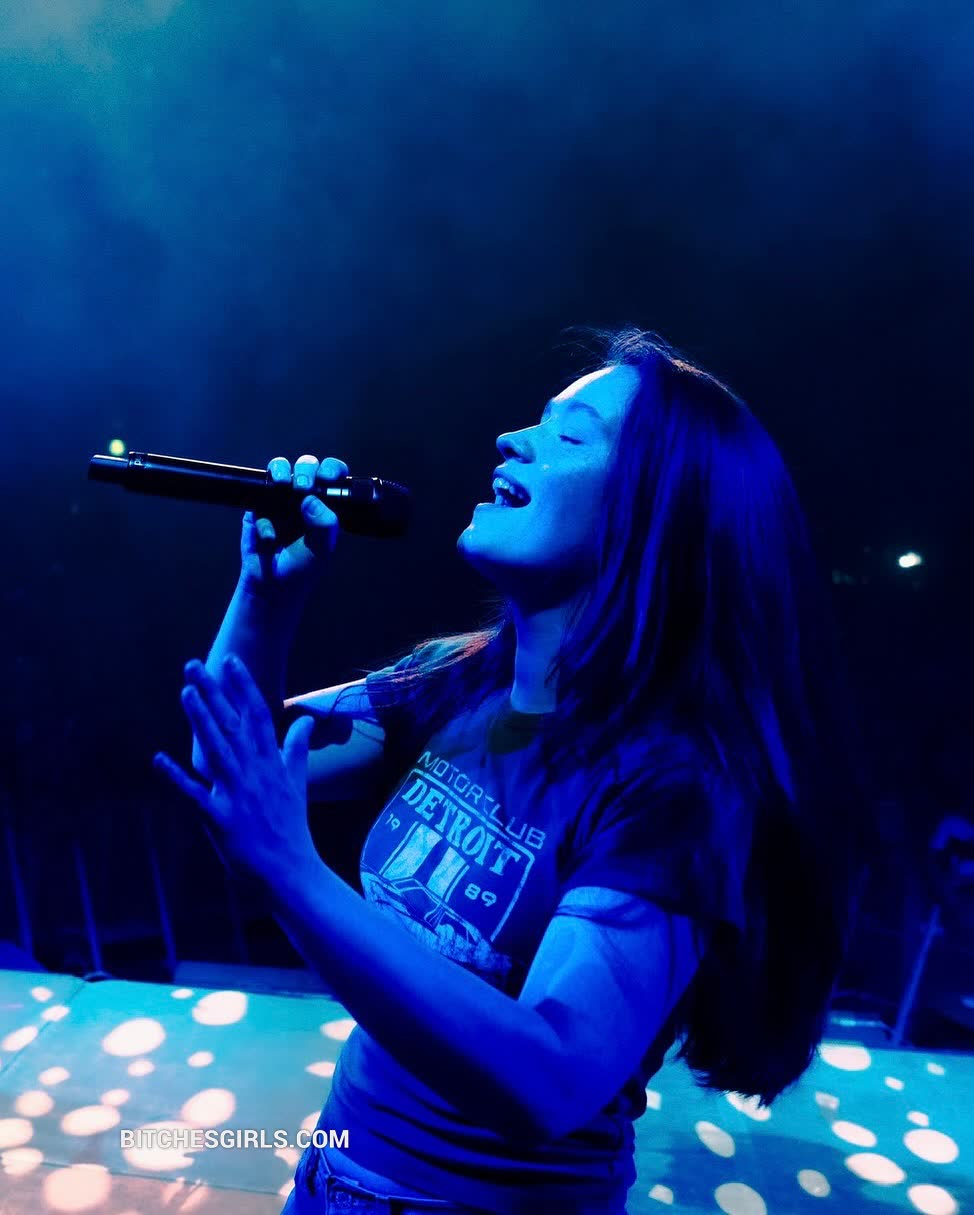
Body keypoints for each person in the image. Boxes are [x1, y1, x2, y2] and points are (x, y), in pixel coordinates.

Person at [154, 328, 872, 1215]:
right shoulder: (454, 678)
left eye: (570, 435)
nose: (512, 440)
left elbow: (552, 1075)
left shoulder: (675, 786)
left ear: (654, 516)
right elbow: (236, 764)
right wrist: (268, 595)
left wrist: (293, 873)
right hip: (333, 1174)